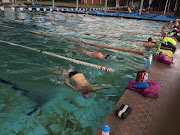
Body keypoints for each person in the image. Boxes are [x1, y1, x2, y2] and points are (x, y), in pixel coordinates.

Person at [50, 67, 119, 93]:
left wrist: (115, 87)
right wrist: (66, 81)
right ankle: (52, 69)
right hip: (73, 76)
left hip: (79, 73)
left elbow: (104, 87)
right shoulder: (77, 90)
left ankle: (58, 67)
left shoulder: (92, 89)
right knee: (62, 75)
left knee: (66, 71)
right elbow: (68, 84)